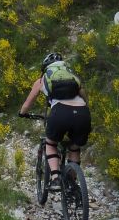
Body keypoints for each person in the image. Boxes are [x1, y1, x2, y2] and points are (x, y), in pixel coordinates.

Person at [18, 52, 91, 188]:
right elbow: (84, 97)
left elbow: (28, 104)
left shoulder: (42, 79)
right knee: (74, 148)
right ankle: (72, 184)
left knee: (51, 144)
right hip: (82, 113)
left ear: (46, 67)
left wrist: (22, 114)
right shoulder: (73, 76)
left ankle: (56, 178)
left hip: (60, 113)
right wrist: (86, 109)